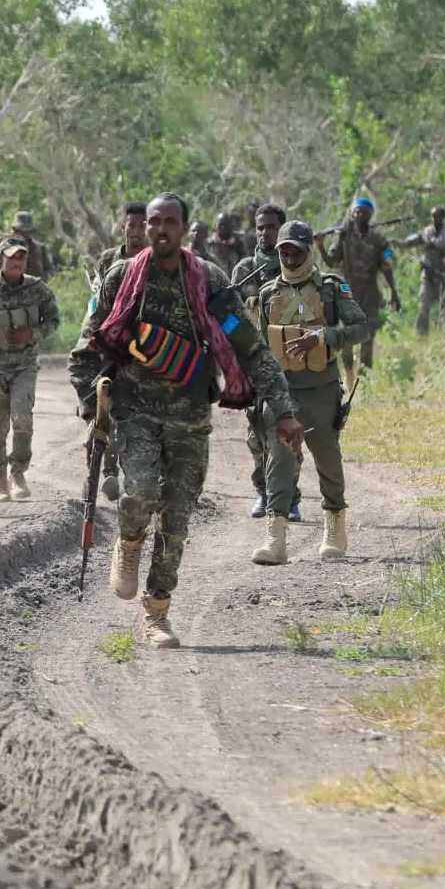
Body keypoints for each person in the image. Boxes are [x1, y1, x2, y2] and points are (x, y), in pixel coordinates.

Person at [70, 193, 302, 648]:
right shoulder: (123, 278)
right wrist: (90, 409)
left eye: (169, 222)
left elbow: (249, 347)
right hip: (134, 413)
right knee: (137, 492)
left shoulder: (208, 282)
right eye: (153, 221)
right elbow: (86, 350)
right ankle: (130, 539)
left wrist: (285, 412)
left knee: (176, 520)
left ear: (184, 229)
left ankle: (157, 614)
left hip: (191, 420)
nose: (160, 229)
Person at [249, 220, 369, 566]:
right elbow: (257, 346)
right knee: (279, 461)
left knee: (327, 458)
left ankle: (334, 525)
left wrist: (322, 338)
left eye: (295, 250)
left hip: (321, 389)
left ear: (308, 251)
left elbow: (360, 327)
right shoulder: (269, 292)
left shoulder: (331, 288)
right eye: (283, 250)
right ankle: (276, 538)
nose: (288, 256)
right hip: (282, 393)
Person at [0, 237, 60, 502]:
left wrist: (31, 334)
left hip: (24, 365)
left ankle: (18, 473)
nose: (16, 263)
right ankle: (0, 480)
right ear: (1, 258)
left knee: (22, 418)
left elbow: (54, 320)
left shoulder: (37, 289)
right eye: (11, 257)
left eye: (21, 258)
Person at [231, 203, 300, 521]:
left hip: (288, 362)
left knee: (287, 429)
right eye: (259, 227)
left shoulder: (294, 266)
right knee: (255, 433)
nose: (263, 233)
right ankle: (263, 491)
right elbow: (227, 317)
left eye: (270, 227)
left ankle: (290, 497)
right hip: (252, 363)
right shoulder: (244, 269)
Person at [89, 201, 150, 502]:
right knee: (106, 404)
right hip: (110, 342)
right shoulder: (108, 260)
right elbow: (97, 304)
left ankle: (135, 472)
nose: (136, 231)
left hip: (144, 347)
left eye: (142, 226)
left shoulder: (156, 261)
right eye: (132, 225)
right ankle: (109, 471)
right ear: (123, 226)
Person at [315, 197, 401, 380]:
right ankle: (349, 375)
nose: (360, 214)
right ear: (352, 214)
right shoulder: (343, 237)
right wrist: (320, 246)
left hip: (370, 295)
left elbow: (387, 266)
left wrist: (394, 292)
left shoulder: (379, 240)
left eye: (364, 211)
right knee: (346, 337)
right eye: (357, 211)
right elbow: (331, 262)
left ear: (370, 215)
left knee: (368, 337)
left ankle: (363, 381)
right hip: (347, 295)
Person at [403, 206, 445, 336]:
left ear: (443, 218)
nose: (435, 219)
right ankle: (421, 336)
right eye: (433, 216)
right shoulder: (426, 232)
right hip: (428, 275)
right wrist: (405, 241)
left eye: (438, 217)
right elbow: (412, 241)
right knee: (423, 306)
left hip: (444, 275)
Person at [0, 212, 48, 278]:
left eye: (27, 232)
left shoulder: (38, 249)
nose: (24, 235)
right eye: (21, 231)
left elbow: (48, 273)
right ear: (14, 231)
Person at [205, 211, 249, 276]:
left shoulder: (239, 244)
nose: (223, 227)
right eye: (220, 224)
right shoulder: (208, 244)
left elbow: (245, 265)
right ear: (215, 226)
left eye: (225, 224)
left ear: (231, 225)